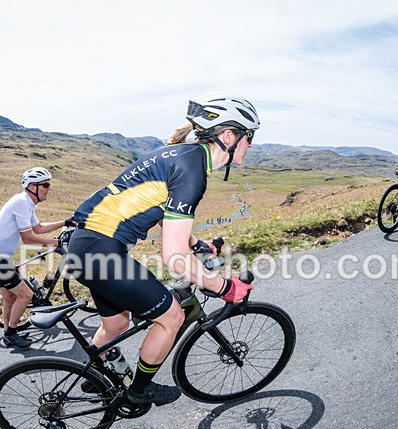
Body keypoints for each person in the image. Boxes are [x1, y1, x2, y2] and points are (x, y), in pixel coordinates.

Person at [66, 93, 258, 406]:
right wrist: (224, 287)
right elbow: (173, 258)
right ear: (229, 137)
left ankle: (97, 379)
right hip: (100, 251)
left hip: (86, 245)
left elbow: (160, 212)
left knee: (116, 324)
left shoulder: (181, 156)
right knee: (172, 317)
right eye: (249, 137)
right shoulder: (192, 171)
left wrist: (198, 244)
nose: (251, 145)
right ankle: (137, 394)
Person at [0, 167, 75, 348]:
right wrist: (55, 243)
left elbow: (38, 228)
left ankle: (7, 331)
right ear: (32, 186)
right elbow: (28, 238)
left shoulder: (26, 203)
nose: (48, 188)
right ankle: (11, 333)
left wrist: (65, 222)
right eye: (45, 184)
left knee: (9, 297)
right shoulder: (21, 202)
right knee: (26, 295)